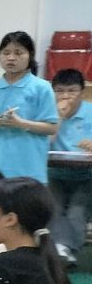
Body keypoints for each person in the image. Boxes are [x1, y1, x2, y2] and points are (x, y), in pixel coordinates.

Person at [0, 30, 58, 183]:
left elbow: (52, 128)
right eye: (6, 53)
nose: (11, 58)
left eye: (18, 53)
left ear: (30, 55)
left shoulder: (41, 88)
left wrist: (20, 124)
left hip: (29, 172)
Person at [49, 68, 92, 266]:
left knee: (77, 210)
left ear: (82, 92)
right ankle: (63, 249)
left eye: (72, 91)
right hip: (54, 173)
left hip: (86, 175)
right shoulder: (48, 113)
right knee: (54, 207)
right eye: (60, 91)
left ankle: (65, 248)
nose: (65, 96)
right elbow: (42, 143)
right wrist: (57, 117)